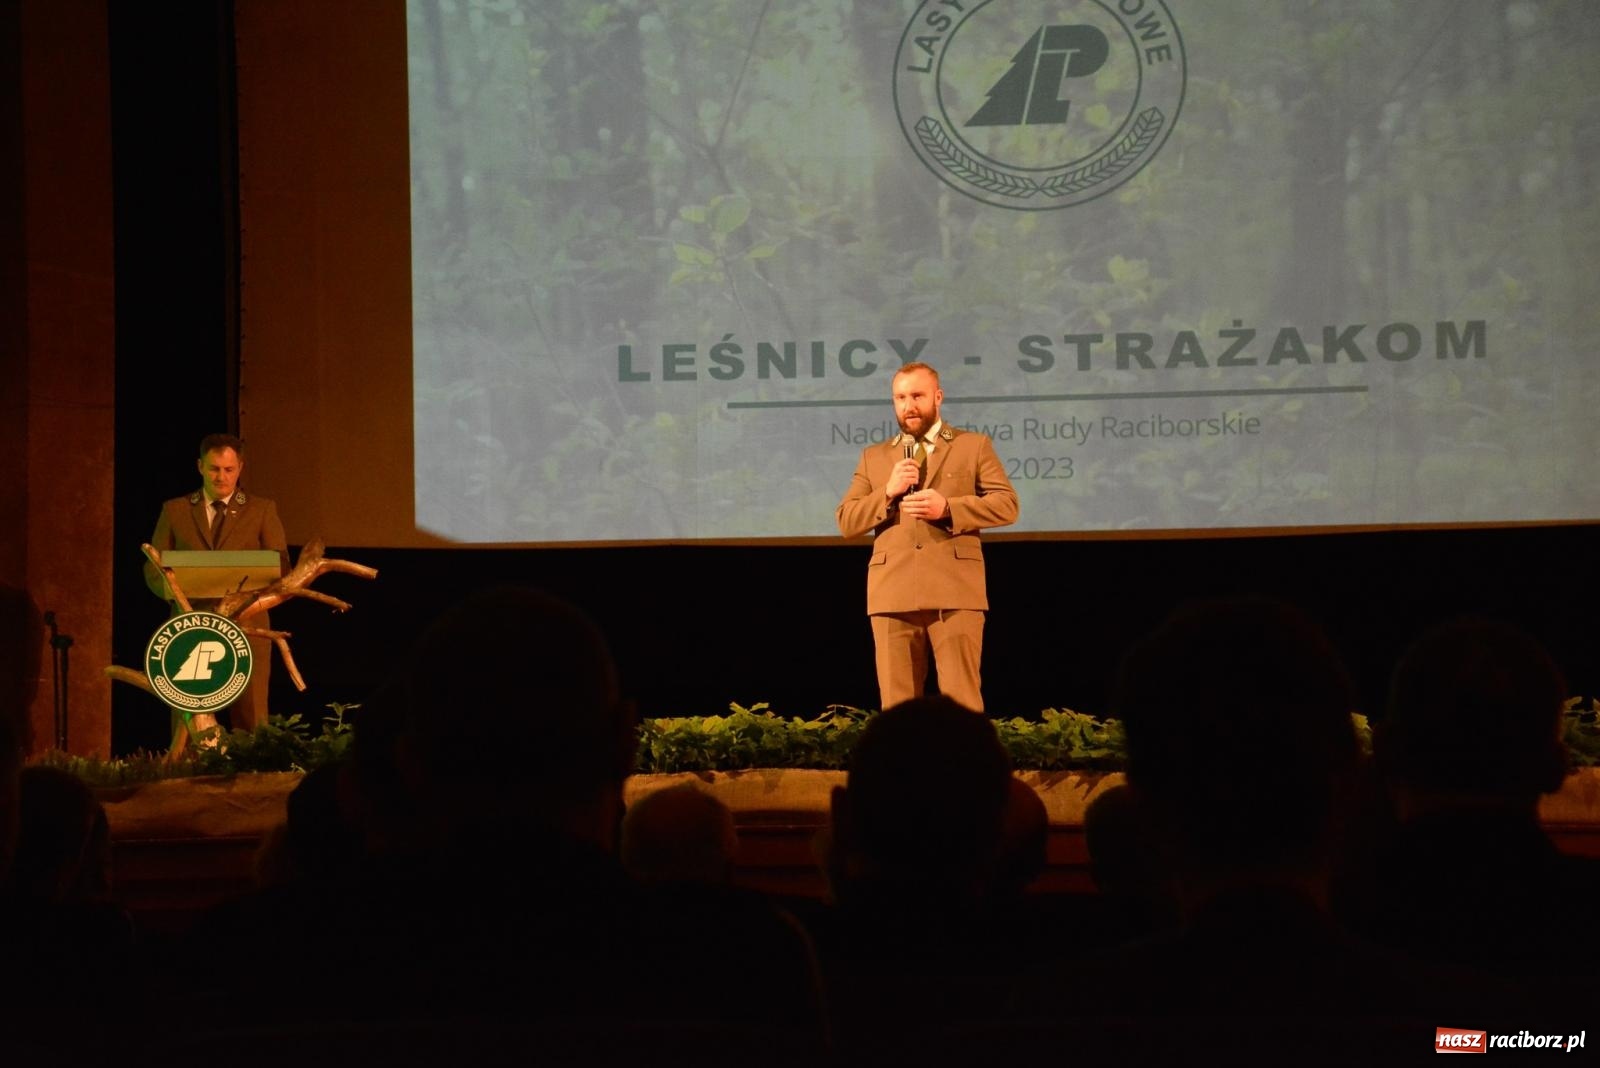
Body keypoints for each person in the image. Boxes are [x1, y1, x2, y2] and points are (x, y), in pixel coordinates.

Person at [835, 362, 1018, 712]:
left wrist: (948, 507)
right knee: (897, 710)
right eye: (900, 397)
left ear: (937, 397)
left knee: (962, 704)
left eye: (917, 396)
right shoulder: (875, 457)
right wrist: (887, 493)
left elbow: (1007, 504)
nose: (909, 406)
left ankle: (967, 767)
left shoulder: (972, 445)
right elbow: (846, 520)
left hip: (955, 591)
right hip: (892, 594)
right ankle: (901, 769)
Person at [144, 433, 289, 733]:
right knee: (188, 722)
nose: (221, 476)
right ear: (200, 466)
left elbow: (281, 566)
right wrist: (172, 593)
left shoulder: (262, 509)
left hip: (247, 627)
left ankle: (252, 776)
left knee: (252, 719)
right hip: (189, 625)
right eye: (214, 469)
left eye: (228, 469)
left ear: (240, 469)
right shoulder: (175, 510)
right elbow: (153, 567)